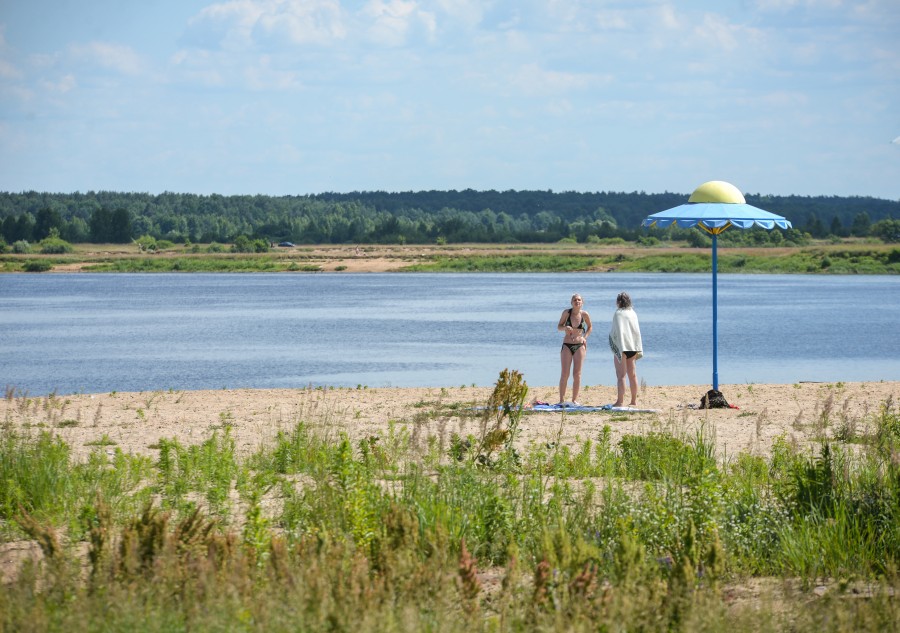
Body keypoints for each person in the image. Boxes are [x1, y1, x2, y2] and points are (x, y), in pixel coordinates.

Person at [608, 292, 643, 407]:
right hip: (632, 346)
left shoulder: (618, 313)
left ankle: (620, 401)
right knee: (632, 375)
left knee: (621, 375)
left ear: (618, 302)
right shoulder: (633, 313)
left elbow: (615, 331)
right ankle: (633, 401)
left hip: (622, 347)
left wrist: (615, 343)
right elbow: (635, 331)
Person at [557, 293, 592, 405]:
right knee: (564, 373)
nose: (577, 302)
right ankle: (561, 400)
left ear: (582, 302)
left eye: (579, 300)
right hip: (567, 345)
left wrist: (585, 338)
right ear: (571, 302)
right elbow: (558, 327)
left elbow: (590, 327)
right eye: (575, 300)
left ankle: (574, 400)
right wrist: (564, 328)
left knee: (577, 374)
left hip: (579, 345)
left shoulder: (585, 314)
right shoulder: (566, 313)